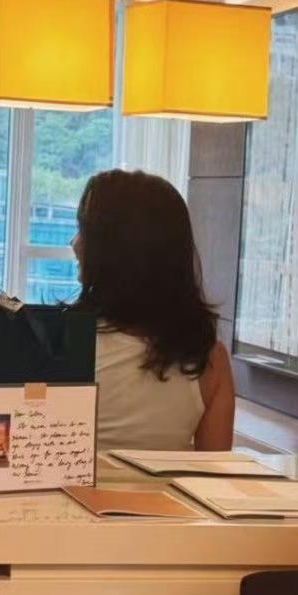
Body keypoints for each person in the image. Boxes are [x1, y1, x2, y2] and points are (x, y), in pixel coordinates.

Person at [72, 169, 234, 450]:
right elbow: (214, 470)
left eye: (84, 231)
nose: (75, 244)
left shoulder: (63, 343)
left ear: (115, 250)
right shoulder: (209, 360)